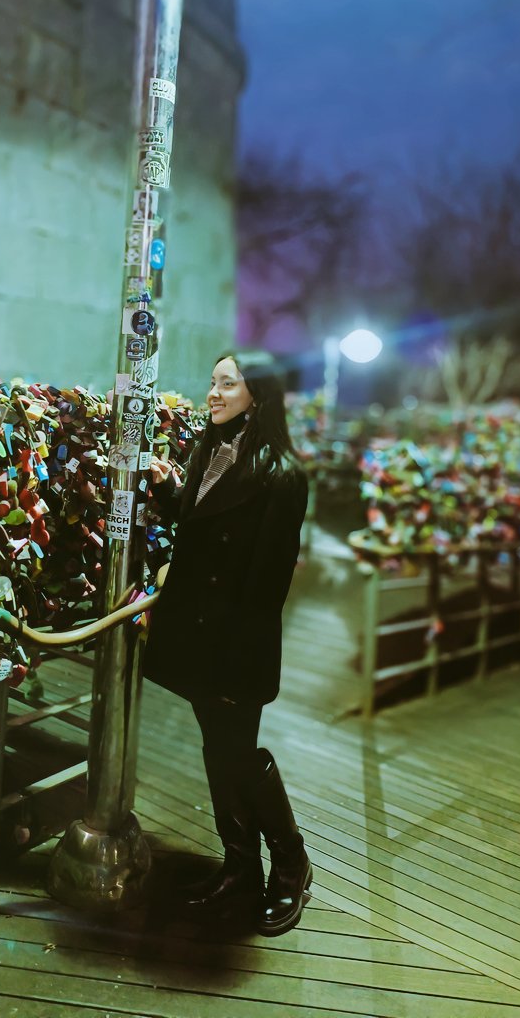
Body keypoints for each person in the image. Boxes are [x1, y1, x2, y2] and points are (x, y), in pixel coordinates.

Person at [144, 349, 311, 937]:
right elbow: (202, 529)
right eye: (212, 382)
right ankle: (241, 869)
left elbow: (266, 586)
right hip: (198, 639)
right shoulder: (207, 449)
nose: (212, 393)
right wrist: (167, 491)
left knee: (236, 752)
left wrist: (235, 666)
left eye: (227, 384)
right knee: (221, 753)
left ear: (257, 395)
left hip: (235, 646)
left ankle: (289, 865)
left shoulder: (283, 474)